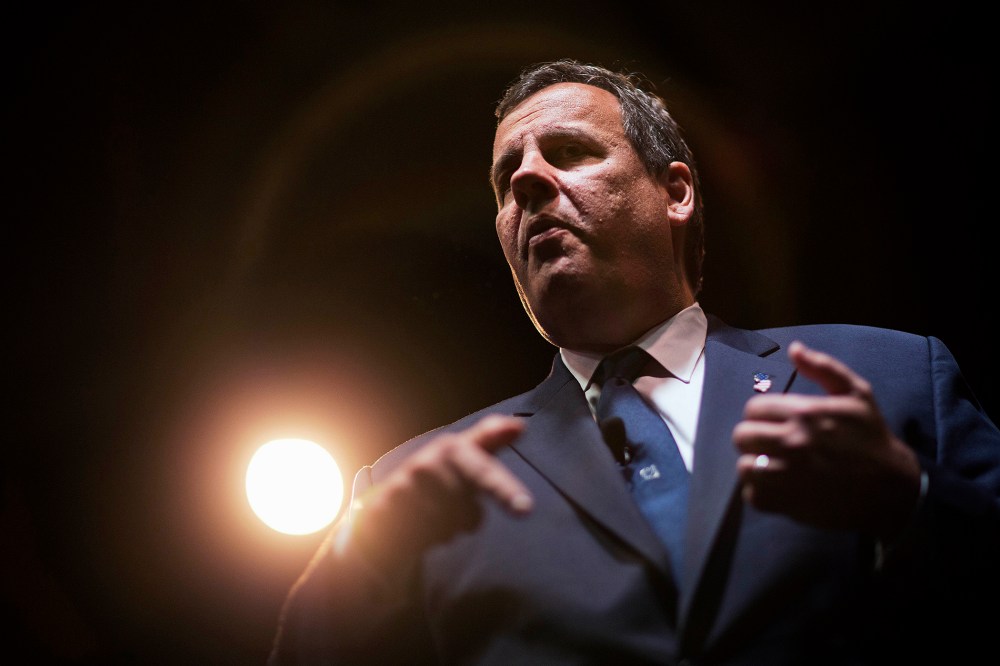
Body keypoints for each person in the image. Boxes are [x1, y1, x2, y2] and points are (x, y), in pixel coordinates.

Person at [267, 59, 1000, 665]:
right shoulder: (404, 493)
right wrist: (357, 572)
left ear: (676, 192)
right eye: (504, 179)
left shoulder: (894, 375)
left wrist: (911, 504)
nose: (526, 182)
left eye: (570, 152)